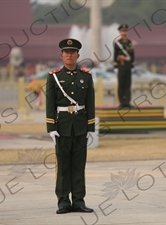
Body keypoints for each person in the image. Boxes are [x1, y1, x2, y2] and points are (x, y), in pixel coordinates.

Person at [45, 38, 95, 214]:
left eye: (73, 52)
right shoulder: (54, 77)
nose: (69, 55)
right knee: (64, 165)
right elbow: (50, 103)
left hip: (80, 126)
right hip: (63, 126)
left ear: (78, 55)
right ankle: (64, 202)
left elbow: (90, 103)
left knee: (79, 165)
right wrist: (51, 127)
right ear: (61, 55)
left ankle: (79, 201)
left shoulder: (86, 77)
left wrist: (90, 127)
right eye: (66, 52)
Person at [113, 23, 135, 108]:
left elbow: (132, 55)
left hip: (128, 66)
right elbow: (115, 55)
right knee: (121, 84)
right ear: (120, 32)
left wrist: (132, 66)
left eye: (125, 31)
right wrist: (115, 67)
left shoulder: (130, 42)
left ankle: (127, 101)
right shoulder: (117, 43)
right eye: (122, 31)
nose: (124, 32)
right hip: (121, 66)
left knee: (128, 84)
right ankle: (122, 102)